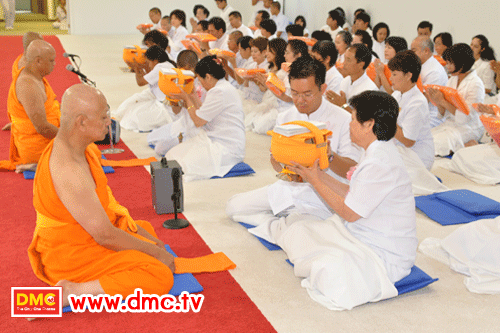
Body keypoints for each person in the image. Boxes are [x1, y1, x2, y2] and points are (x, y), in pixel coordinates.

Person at [27, 83, 176, 306]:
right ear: (81, 122)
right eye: (104, 116)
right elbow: (105, 235)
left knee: (144, 229)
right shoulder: (69, 169)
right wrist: (155, 254)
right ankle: (75, 291)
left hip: (84, 237)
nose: (109, 121)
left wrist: (146, 241)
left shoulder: (81, 147)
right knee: (159, 274)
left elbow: (105, 212)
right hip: (69, 257)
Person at [277, 91, 417, 309]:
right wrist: (317, 175)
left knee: (330, 273)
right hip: (360, 235)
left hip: (382, 252)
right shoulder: (376, 151)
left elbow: (349, 213)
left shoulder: (380, 161)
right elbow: (352, 192)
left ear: (368, 124)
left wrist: (315, 181)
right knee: (299, 231)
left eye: (353, 119)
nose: (350, 124)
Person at [226, 56, 360, 233]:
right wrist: (278, 159)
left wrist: (329, 155)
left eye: (307, 94)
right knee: (233, 207)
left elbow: (352, 170)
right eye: (295, 93)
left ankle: (285, 223)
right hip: (290, 187)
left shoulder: (343, 120)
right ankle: (280, 223)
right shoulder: (286, 117)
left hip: (324, 193)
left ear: (322, 89)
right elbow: (276, 166)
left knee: (301, 231)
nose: (300, 100)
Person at [149, 55, 245, 182]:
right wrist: (192, 95)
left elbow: (198, 121)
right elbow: (202, 110)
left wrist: (187, 99)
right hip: (212, 138)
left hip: (225, 147)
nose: (200, 84)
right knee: (172, 156)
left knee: (184, 165)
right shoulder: (221, 88)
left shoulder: (220, 91)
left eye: (200, 80)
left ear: (209, 77)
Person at [0, 40, 59, 172]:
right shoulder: (28, 85)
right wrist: (69, 138)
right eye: (51, 60)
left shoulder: (34, 75)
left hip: (45, 136)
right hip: (37, 147)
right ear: (38, 61)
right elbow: (42, 128)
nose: (54, 64)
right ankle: (35, 164)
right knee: (85, 157)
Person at [428, 43, 485, 156]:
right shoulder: (452, 80)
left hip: (469, 127)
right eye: (447, 63)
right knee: (426, 139)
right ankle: (462, 146)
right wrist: (438, 101)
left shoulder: (476, 84)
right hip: (450, 123)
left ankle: (467, 145)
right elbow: (443, 113)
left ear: (462, 63)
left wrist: (443, 101)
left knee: (437, 144)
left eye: (450, 63)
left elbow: (466, 117)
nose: (447, 67)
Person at [112, 46, 176, 132]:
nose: (148, 64)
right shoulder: (165, 64)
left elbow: (140, 82)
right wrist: (139, 68)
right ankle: (117, 114)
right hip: (160, 100)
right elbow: (146, 76)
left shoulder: (161, 67)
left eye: (148, 62)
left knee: (132, 119)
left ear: (155, 61)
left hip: (166, 107)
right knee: (134, 103)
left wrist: (136, 68)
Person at [388, 50, 434, 170]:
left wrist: (385, 119)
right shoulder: (396, 95)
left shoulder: (417, 102)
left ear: (408, 75)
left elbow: (408, 141)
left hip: (416, 156)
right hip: (399, 149)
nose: (390, 78)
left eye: (394, 74)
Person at [245, 38, 288, 133]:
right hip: (266, 101)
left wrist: (267, 84)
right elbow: (263, 89)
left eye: (269, 51)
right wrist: (258, 81)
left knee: (259, 127)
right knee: (249, 122)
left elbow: (282, 92)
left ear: (277, 52)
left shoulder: (284, 71)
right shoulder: (268, 68)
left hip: (277, 104)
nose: (266, 54)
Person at [326, 44, 377, 112]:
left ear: (361, 64)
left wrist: (343, 105)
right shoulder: (345, 80)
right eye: (344, 58)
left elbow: (363, 120)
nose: (343, 63)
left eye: (348, 60)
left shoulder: (370, 90)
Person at [411, 36, 448, 127]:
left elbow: (424, 100)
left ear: (426, 51)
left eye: (414, 51)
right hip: (419, 112)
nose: (411, 54)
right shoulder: (421, 65)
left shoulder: (434, 71)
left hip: (432, 116)